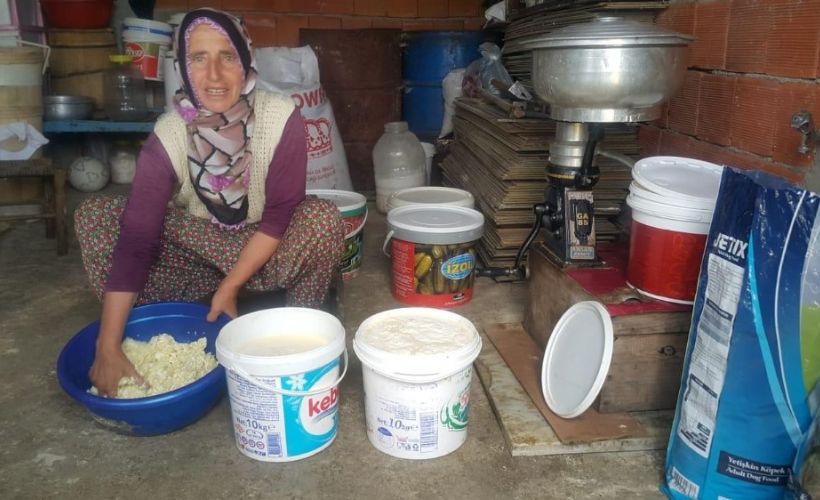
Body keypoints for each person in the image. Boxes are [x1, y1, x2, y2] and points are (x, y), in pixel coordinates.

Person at [74, 8, 345, 397]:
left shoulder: (281, 117)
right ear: (183, 67)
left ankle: (298, 329)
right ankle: (157, 325)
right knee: (97, 215)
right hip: (202, 254)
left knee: (322, 219)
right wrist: (107, 344)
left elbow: (279, 218)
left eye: (227, 56)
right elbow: (137, 240)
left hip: (267, 252)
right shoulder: (170, 133)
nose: (214, 75)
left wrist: (231, 285)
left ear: (246, 60)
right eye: (199, 58)